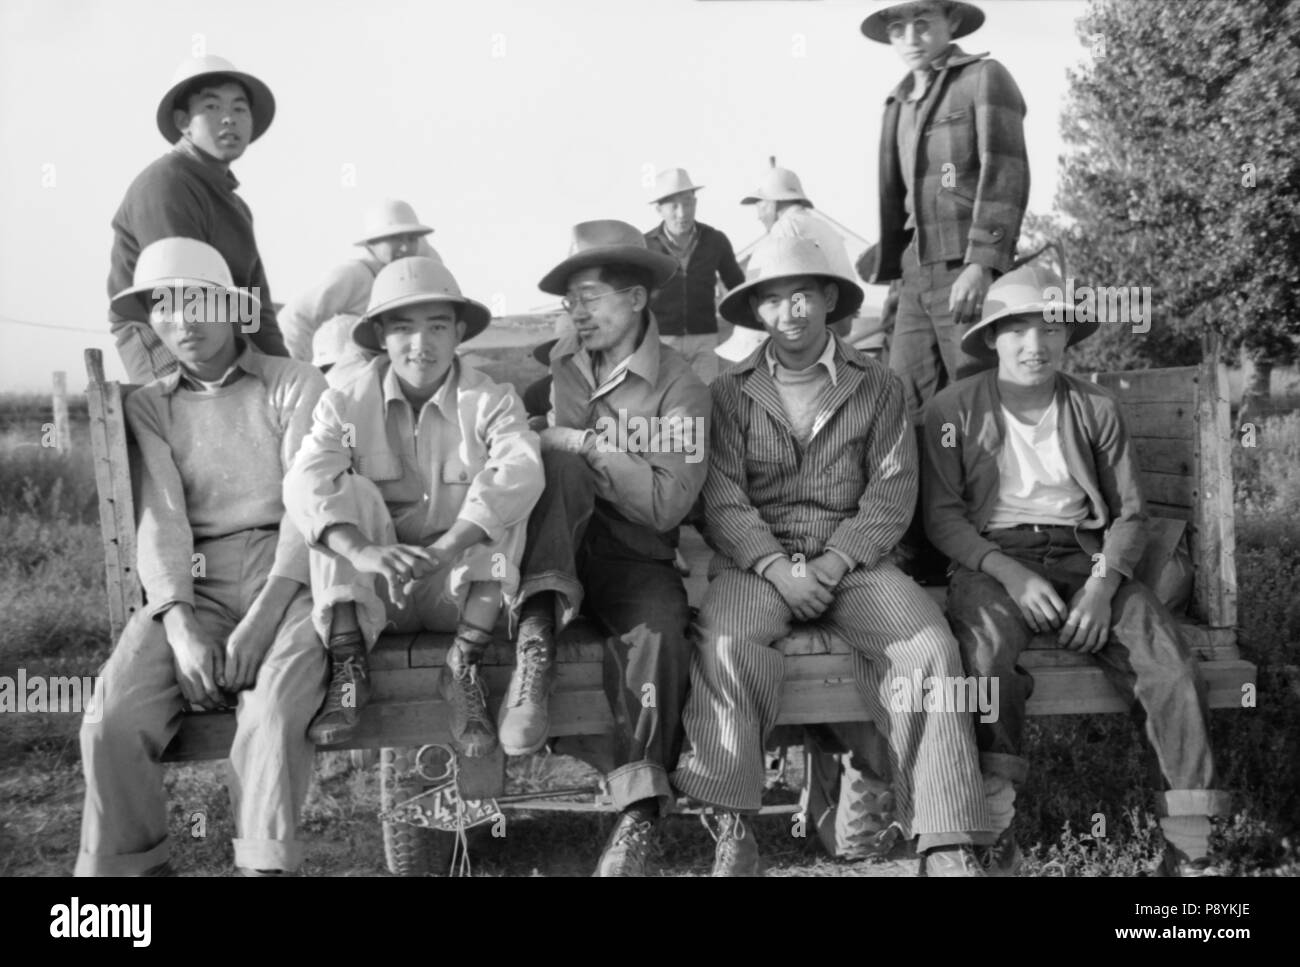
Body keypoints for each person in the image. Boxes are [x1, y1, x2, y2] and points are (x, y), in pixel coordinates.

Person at [673, 236, 993, 877]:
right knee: (727, 643)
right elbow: (723, 495)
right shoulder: (731, 389)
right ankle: (733, 824)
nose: (788, 311)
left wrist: (832, 563)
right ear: (757, 313)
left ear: (827, 301)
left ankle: (944, 837)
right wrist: (775, 568)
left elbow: (893, 488)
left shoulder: (877, 385)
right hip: (757, 563)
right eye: (771, 299)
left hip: (854, 560)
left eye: (801, 295)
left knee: (930, 646)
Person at [922, 263, 1231, 876]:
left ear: (1067, 338)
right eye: (1017, 331)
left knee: (1167, 659)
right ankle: (994, 825)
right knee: (985, 660)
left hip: (1084, 553)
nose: (1035, 345)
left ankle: (1192, 845)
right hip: (995, 555)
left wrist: (1101, 586)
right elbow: (942, 517)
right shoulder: (952, 409)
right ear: (992, 339)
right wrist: (1006, 573)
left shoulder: (1094, 406)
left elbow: (1130, 513)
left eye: (1050, 330)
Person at [79, 238, 328, 876]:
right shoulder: (150, 406)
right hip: (194, 583)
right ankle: (126, 883)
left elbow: (310, 505)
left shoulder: (294, 384)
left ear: (232, 308)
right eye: (164, 306)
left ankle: (262, 867)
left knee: (271, 714)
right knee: (110, 720)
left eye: (198, 303)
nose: (182, 322)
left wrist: (267, 614)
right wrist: (181, 623)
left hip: (293, 579)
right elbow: (160, 518)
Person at [504, 220, 710, 876]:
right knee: (551, 462)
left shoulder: (681, 388)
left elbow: (665, 503)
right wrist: (541, 436)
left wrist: (587, 443)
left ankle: (639, 817)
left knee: (660, 629)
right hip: (552, 552)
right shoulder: (559, 367)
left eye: (591, 298)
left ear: (638, 299)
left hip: (631, 553)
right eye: (572, 301)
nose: (578, 313)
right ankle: (535, 641)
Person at [283, 257, 543, 755]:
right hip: (377, 597)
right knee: (342, 490)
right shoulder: (344, 403)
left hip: (457, 590)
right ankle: (348, 666)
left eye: (437, 327)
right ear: (380, 336)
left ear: (458, 333)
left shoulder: (491, 401)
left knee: (507, 488)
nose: (420, 345)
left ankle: (462, 665)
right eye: (403, 328)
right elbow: (304, 481)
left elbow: (521, 469)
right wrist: (362, 553)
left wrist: (449, 546)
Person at [860, 0, 1029, 422]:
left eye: (923, 23)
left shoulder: (983, 78)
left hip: (964, 268)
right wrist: (899, 279)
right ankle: (926, 491)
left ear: (951, 21)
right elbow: (902, 207)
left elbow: (1007, 170)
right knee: (903, 404)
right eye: (899, 28)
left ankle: (989, 490)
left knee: (976, 400)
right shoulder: (895, 104)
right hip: (913, 274)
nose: (911, 38)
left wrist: (981, 264)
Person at [108, 56, 290, 383]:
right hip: (164, 331)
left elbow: (255, 307)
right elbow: (179, 292)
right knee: (191, 414)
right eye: (212, 107)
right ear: (183, 121)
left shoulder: (235, 206)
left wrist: (284, 370)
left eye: (239, 109)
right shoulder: (167, 184)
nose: (228, 120)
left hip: (220, 331)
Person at [277, 199, 443, 363]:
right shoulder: (355, 275)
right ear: (372, 242)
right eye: (396, 238)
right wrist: (292, 370)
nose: (405, 247)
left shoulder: (409, 277)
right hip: (349, 376)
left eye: (412, 239)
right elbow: (296, 317)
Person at [644, 168, 746, 383]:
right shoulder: (645, 246)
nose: (682, 213)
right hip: (662, 340)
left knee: (705, 401)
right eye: (674, 205)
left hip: (705, 339)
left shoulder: (715, 240)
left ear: (696, 203)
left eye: (688, 203)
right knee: (667, 405)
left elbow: (737, 287)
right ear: (659, 209)